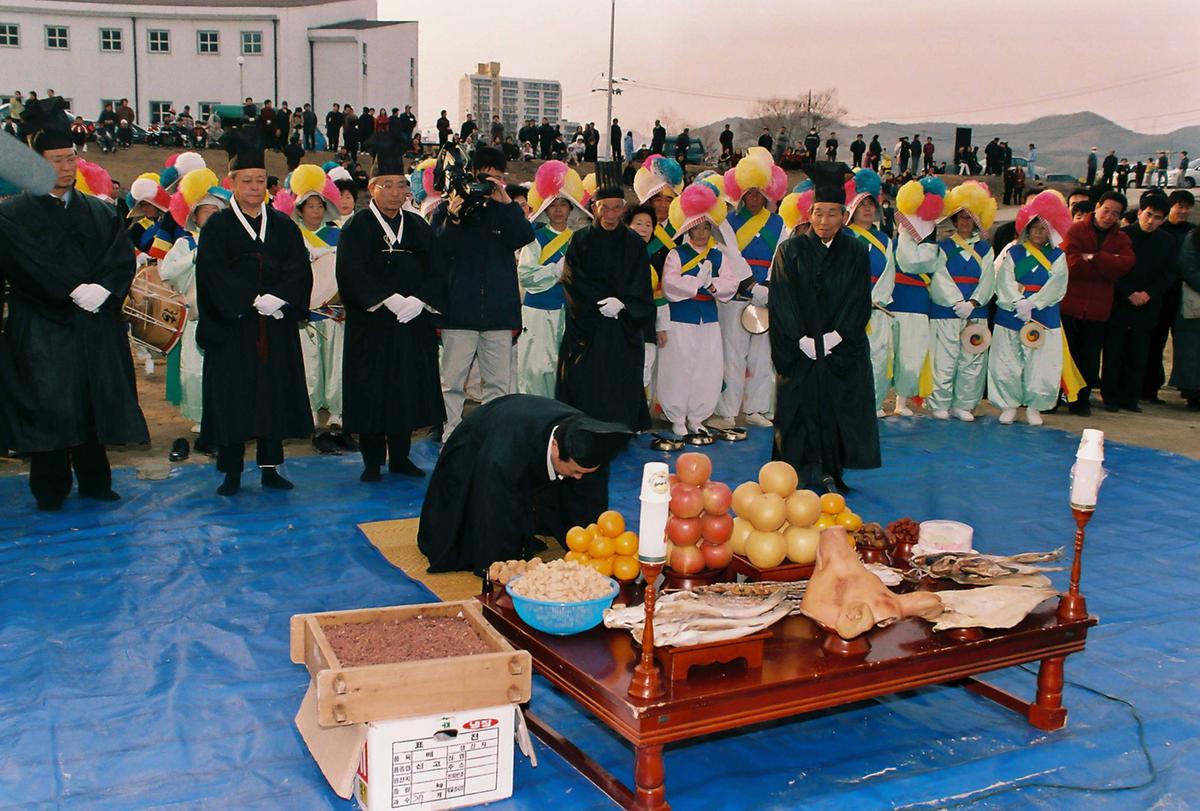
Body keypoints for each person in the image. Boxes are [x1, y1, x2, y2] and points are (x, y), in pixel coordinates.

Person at [0, 106, 149, 510]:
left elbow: (120, 258)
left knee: (91, 401)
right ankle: (50, 487)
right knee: (49, 406)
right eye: (56, 161)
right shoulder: (11, 214)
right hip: (42, 326)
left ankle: (95, 480)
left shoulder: (100, 210)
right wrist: (69, 289)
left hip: (93, 322)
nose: (66, 168)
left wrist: (105, 289)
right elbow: (24, 263)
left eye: (70, 159)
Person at [195, 127, 313, 496]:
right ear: (231, 182)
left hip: (274, 326)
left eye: (260, 180)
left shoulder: (283, 226)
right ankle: (231, 472)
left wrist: (281, 298)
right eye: (246, 180)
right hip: (234, 329)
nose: (254, 187)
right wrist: (247, 300)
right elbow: (211, 276)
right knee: (234, 400)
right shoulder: (217, 227)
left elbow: (299, 269)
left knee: (271, 399)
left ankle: (270, 468)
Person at [417, 395, 631, 574]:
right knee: (485, 525)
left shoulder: (586, 441)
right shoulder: (505, 459)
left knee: (579, 484)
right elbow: (496, 513)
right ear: (555, 447)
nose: (578, 477)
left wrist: (591, 547)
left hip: (525, 432)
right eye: (575, 471)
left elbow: (590, 498)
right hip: (477, 443)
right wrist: (505, 565)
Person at [337, 135, 445, 481]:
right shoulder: (357, 227)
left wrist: (419, 300)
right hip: (372, 326)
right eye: (388, 185)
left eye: (402, 185)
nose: (396, 193)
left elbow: (437, 269)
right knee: (372, 392)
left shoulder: (417, 226)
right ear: (373, 188)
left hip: (411, 324)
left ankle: (400, 457)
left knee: (405, 390)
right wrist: (387, 298)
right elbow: (351, 272)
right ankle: (372, 462)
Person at [768, 162, 879, 493]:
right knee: (797, 409)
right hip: (799, 348)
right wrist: (799, 339)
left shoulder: (856, 252)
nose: (824, 221)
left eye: (832, 214)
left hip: (838, 348)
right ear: (809, 213)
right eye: (818, 213)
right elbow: (782, 299)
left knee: (834, 409)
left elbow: (859, 299)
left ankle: (830, 471)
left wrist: (837, 336)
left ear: (844, 216)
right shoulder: (790, 250)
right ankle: (793, 473)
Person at [431, 146, 533, 436]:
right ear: (471, 174)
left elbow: (524, 236)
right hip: (458, 311)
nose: (489, 184)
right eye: (484, 177)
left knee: (499, 384)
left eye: (497, 178)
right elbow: (436, 251)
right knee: (452, 382)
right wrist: (454, 219)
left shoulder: (504, 210)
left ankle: (492, 435)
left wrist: (506, 204)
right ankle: (450, 433)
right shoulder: (448, 208)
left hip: (498, 313)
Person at [557, 169, 655, 434]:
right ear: (594, 208)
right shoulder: (580, 240)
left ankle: (620, 432)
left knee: (620, 383)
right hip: (587, 328)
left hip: (622, 329)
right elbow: (572, 280)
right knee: (584, 384)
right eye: (605, 208)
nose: (610, 215)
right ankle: (583, 432)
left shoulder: (634, 243)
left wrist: (623, 305)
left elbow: (641, 285)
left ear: (623, 209)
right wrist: (599, 304)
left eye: (616, 208)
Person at [659, 183, 747, 442]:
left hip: (708, 319)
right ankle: (677, 417)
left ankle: (697, 417)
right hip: (681, 318)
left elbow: (731, 283)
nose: (701, 232)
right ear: (688, 229)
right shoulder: (676, 254)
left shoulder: (719, 256)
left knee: (707, 367)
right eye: (697, 227)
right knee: (679, 366)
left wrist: (711, 284)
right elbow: (669, 284)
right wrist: (695, 282)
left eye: (706, 227)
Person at [273, 164, 351, 452]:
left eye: (320, 206)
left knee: (336, 364)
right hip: (306, 313)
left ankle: (338, 413)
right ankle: (307, 413)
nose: (315, 211)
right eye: (310, 206)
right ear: (300, 209)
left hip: (334, 310)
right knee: (308, 366)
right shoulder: (291, 236)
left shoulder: (338, 235)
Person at [710, 147, 784, 431]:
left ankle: (756, 409)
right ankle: (728, 411)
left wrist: (768, 288)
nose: (753, 197)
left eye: (758, 192)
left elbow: (780, 256)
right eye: (749, 192)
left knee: (762, 358)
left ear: (767, 192)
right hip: (736, 297)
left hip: (767, 298)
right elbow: (730, 255)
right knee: (732, 356)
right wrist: (751, 286)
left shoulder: (779, 223)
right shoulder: (727, 222)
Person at [987, 192, 1072, 425]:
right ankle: (1008, 405)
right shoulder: (1014, 252)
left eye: (1043, 228)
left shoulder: (1057, 256)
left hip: (1044, 313)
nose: (1037, 232)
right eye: (1034, 227)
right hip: (1011, 312)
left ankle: (1035, 407)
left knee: (1042, 363)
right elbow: (1003, 280)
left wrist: (1033, 303)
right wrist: (1018, 301)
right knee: (1006, 361)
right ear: (1026, 227)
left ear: (1051, 230)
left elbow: (1058, 283)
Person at [159, 169, 229, 444]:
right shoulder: (184, 244)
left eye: (215, 211)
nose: (210, 216)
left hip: (224, 316)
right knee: (194, 369)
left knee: (226, 368)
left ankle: (225, 414)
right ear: (195, 217)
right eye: (204, 211)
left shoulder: (230, 243)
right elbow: (168, 272)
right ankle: (201, 417)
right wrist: (194, 257)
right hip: (194, 317)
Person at [516, 161, 592, 398]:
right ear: (545, 208)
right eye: (553, 205)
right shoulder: (535, 238)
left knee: (566, 365)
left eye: (563, 204)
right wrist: (555, 271)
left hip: (569, 311)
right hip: (538, 311)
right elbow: (525, 275)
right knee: (536, 367)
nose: (558, 210)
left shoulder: (579, 239)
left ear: (571, 208)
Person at [925, 182, 997, 421]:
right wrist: (956, 301)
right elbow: (939, 276)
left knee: (972, 360)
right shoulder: (942, 247)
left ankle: (964, 405)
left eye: (970, 217)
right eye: (962, 217)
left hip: (975, 313)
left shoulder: (985, 249)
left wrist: (973, 302)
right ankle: (939, 403)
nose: (966, 222)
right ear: (954, 220)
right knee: (943, 360)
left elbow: (989, 278)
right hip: (946, 312)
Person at [1061, 191, 1135, 416]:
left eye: (1115, 213)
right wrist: (1106, 264)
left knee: (1089, 360)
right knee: (1062, 356)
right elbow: (1071, 264)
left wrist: (1093, 257)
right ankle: (1052, 399)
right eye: (1106, 210)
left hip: (1098, 309)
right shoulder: (1076, 230)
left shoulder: (1121, 239)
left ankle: (1080, 402)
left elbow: (1123, 266)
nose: (1109, 216)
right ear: (1097, 207)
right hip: (1070, 306)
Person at [1101, 192, 1173, 412]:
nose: (1151, 221)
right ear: (1140, 212)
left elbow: (1170, 273)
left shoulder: (1167, 241)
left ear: (1163, 220)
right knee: (1114, 353)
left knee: (1138, 355)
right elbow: (1110, 268)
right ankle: (1110, 397)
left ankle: (1131, 398)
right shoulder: (1121, 235)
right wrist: (1129, 293)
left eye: (1157, 218)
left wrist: (1148, 294)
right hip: (1120, 303)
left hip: (1147, 306)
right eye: (1148, 214)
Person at [842, 170, 896, 418]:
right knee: (847, 357)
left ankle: (873, 403)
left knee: (878, 357)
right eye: (861, 204)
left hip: (877, 307)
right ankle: (847, 404)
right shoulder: (843, 236)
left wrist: (876, 299)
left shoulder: (884, 240)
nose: (866, 209)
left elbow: (889, 273)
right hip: (848, 309)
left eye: (870, 204)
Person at [1142, 189, 1195, 402]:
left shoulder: (1193, 231)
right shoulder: (1159, 231)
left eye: (1187, 207)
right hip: (1161, 296)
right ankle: (1149, 388)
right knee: (1155, 343)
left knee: (1187, 346)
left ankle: (1188, 387)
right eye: (1180, 206)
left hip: (1187, 299)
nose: (1183, 211)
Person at [1170, 228, 1200, 409]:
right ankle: (1193, 393)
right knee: (1192, 351)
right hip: (1195, 304)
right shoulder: (1194, 237)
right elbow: (1188, 268)